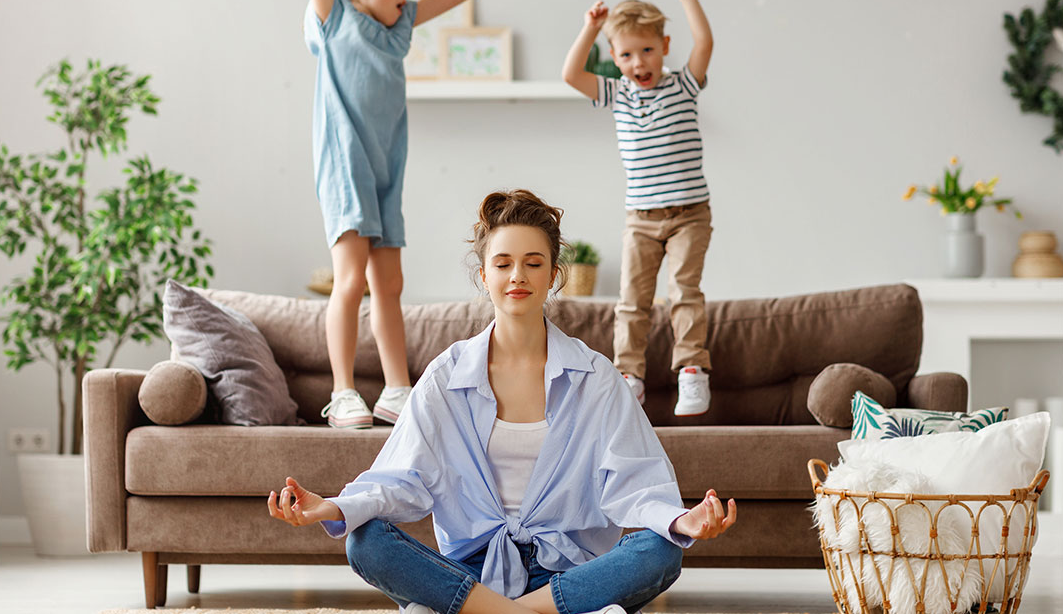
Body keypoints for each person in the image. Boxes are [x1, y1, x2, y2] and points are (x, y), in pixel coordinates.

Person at [267, 190, 736, 614]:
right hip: (471, 573)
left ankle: (491, 612)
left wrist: (681, 519)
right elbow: (402, 478)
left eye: (534, 263)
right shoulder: (446, 376)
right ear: (484, 275)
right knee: (364, 540)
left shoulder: (596, 378)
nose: (518, 276)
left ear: (555, 275)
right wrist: (332, 507)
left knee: (662, 551)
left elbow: (634, 480)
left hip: (568, 573)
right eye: (504, 263)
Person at [284, 0, 542, 429]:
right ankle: (341, 392)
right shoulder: (335, 18)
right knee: (351, 278)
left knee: (391, 282)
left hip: (386, 170)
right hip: (346, 165)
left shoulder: (398, 26)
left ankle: (396, 389)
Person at [560, 0, 716, 416]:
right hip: (640, 219)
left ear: (664, 47)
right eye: (627, 54)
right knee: (632, 301)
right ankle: (629, 376)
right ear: (614, 56)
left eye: (647, 50)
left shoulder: (683, 85)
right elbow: (571, 73)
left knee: (684, 290)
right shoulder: (617, 93)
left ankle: (691, 370)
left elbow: (704, 42)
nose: (639, 62)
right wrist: (590, 26)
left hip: (689, 214)